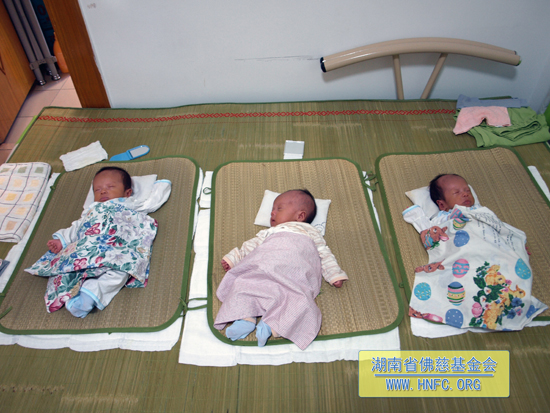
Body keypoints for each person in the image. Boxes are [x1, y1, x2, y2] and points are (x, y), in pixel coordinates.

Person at [214, 189, 348, 350]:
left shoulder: (311, 233)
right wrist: (234, 258)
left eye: (279, 208)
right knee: (243, 282)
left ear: (300, 216)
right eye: (272, 209)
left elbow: (325, 255)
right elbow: (250, 246)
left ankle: (271, 326)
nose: (272, 213)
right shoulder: (270, 232)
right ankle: (245, 318)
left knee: (299, 299)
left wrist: (334, 274)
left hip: (295, 275)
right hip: (265, 267)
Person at [27, 166, 157, 318]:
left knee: (124, 270)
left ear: (127, 193)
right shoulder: (91, 210)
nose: (103, 191)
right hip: (88, 250)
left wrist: (161, 185)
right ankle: (68, 294)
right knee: (67, 267)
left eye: (110, 187)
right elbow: (77, 227)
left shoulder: (130, 204)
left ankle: (90, 293)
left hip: (116, 250)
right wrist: (61, 241)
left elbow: (152, 202)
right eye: (97, 189)